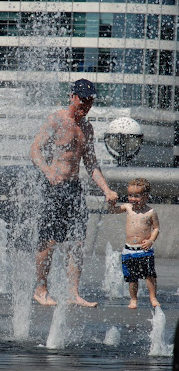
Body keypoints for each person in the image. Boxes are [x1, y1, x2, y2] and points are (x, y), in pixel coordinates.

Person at [30, 78, 118, 307]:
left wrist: (106, 189)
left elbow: (91, 163)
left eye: (90, 101)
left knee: (77, 242)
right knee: (48, 241)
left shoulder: (87, 128)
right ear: (72, 97)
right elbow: (35, 150)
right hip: (53, 187)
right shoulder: (56, 120)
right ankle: (40, 289)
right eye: (83, 100)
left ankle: (73, 293)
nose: (86, 105)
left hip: (74, 189)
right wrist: (49, 172)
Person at [108, 178, 160, 309]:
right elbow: (113, 211)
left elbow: (156, 228)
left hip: (144, 249)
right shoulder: (128, 207)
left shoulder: (150, 212)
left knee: (149, 275)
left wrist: (151, 240)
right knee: (132, 277)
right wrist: (111, 204)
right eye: (130, 195)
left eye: (137, 196)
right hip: (129, 250)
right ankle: (133, 299)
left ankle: (153, 297)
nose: (132, 199)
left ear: (146, 196)